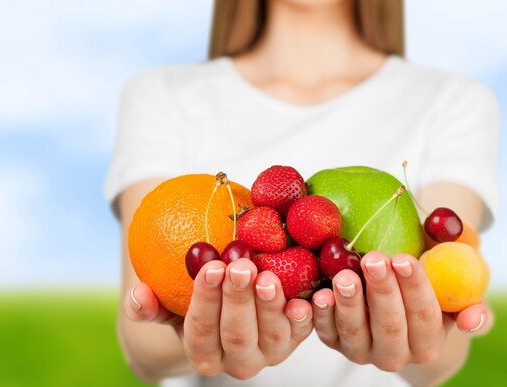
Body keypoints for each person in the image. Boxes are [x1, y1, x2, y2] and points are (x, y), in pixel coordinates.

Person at [104, 0, 499, 386]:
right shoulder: (160, 95)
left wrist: (422, 344)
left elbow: (444, 341)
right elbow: (143, 342)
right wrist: (200, 336)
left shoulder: (456, 101)